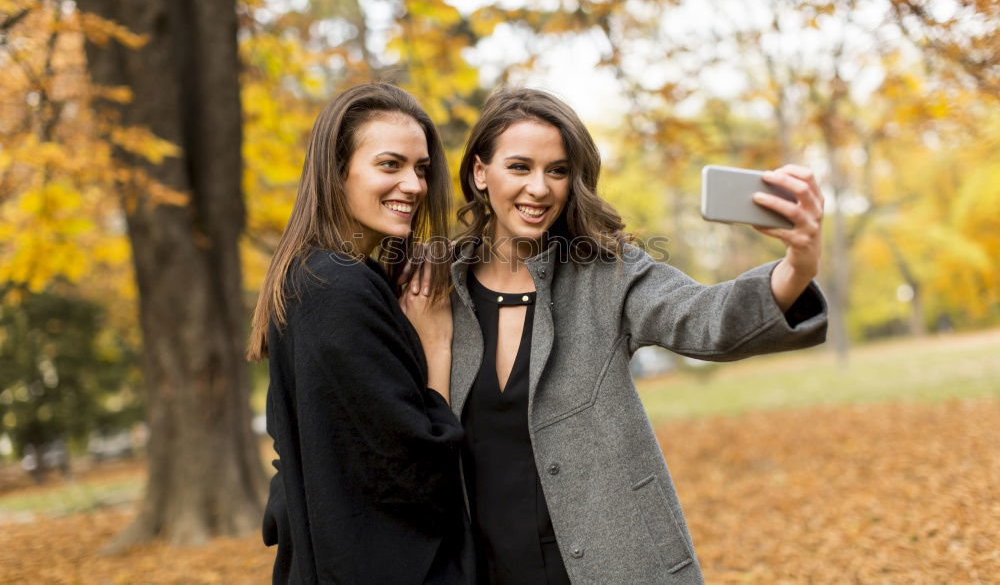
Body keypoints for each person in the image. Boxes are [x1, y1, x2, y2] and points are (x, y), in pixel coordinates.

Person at [408, 87, 827, 584]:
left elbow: (707, 319)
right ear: (481, 172)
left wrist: (798, 264)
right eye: (519, 167)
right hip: (486, 570)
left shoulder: (609, 273)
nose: (539, 188)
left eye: (557, 170)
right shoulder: (434, 290)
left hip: (614, 566)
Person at [248, 83, 472, 584]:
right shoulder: (337, 288)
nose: (413, 185)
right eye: (389, 165)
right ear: (336, 171)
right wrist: (435, 341)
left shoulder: (312, 275)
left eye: (421, 168)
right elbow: (416, 469)